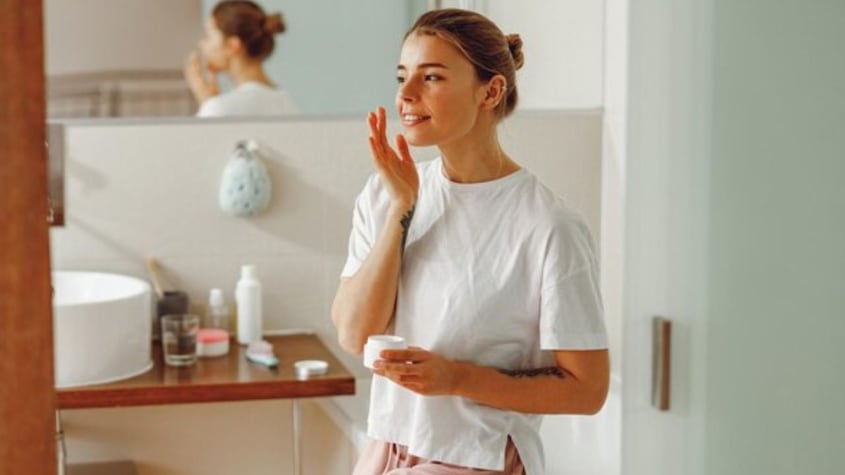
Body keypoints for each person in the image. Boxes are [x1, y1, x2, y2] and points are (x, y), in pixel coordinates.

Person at [332, 8, 610, 475]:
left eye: (432, 77)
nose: (406, 95)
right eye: (402, 77)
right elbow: (354, 333)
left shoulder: (548, 226)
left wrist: (457, 378)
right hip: (388, 447)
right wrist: (401, 210)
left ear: (491, 90)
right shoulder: (387, 192)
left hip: (476, 457)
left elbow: (587, 389)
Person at [184, 0, 298, 117]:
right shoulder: (285, 102)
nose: (202, 44)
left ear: (233, 45)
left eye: (208, 36)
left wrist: (207, 104)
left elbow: (204, 134)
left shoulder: (220, 108)